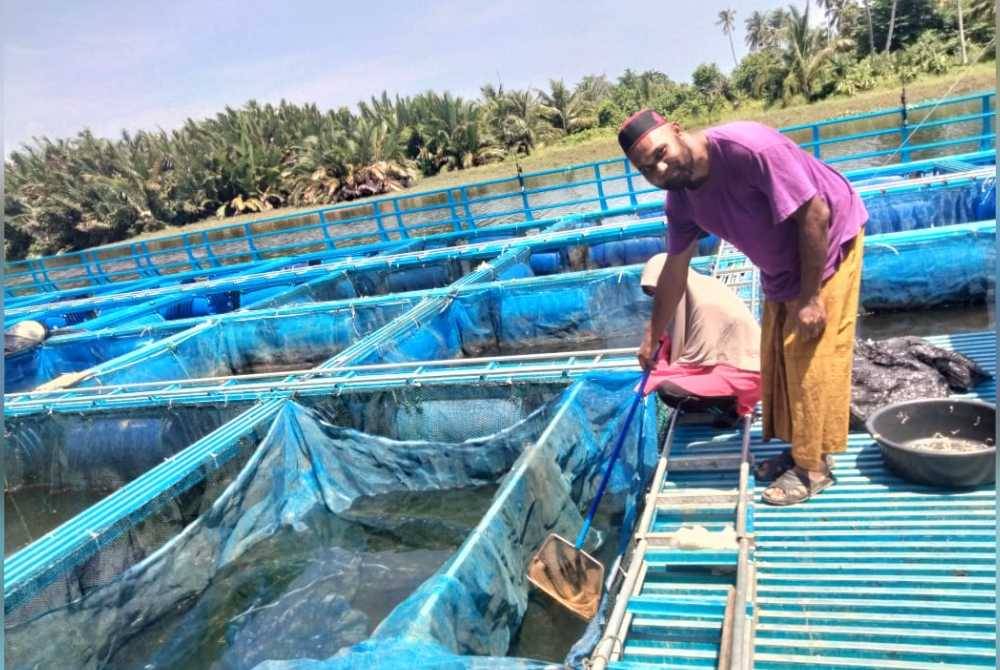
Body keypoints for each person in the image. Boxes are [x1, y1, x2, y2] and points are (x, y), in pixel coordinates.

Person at [620, 109, 867, 506]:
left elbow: (815, 213)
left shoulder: (749, 148)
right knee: (778, 360)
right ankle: (799, 448)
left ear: (678, 131)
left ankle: (813, 467)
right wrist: (651, 337)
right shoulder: (680, 202)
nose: (661, 167)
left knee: (809, 357)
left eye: (662, 152)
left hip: (826, 244)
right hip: (779, 263)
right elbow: (674, 270)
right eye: (648, 168)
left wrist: (810, 298)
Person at [638, 253, 761, 428]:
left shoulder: (705, 306)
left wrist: (659, 371)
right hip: (732, 364)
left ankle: (731, 407)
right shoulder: (703, 286)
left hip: (746, 373)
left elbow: (696, 359)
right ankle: (725, 402)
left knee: (667, 389)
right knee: (663, 371)